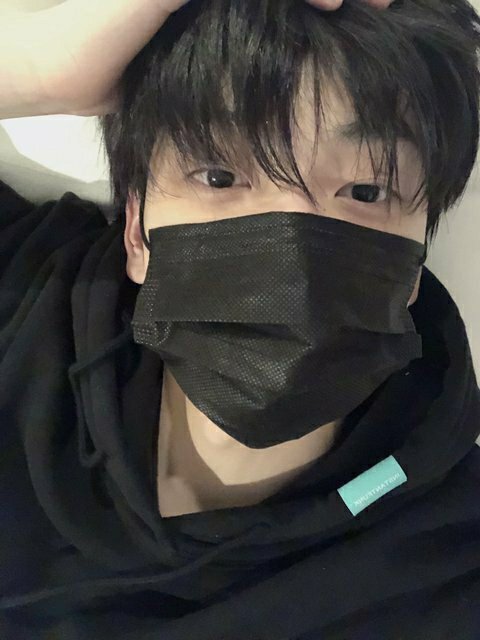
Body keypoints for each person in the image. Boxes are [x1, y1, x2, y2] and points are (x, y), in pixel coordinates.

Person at [1, 0, 479, 638]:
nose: (291, 263)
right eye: (219, 175)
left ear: (415, 264)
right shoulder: (25, 283)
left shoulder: (454, 568)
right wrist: (33, 69)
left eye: (365, 191)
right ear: (138, 231)